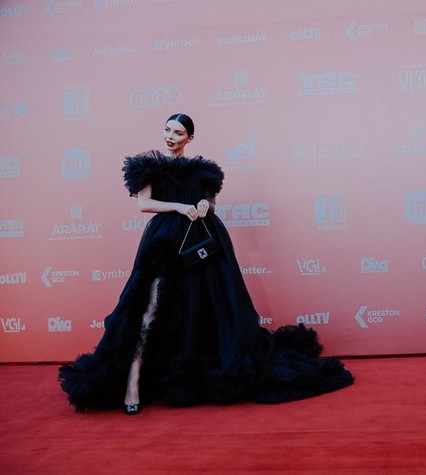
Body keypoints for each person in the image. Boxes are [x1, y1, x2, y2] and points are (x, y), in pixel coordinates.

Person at [59, 113, 354, 414]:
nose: (170, 136)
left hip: (203, 241)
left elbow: (210, 203)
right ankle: (132, 385)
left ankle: (191, 371)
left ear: (190, 138)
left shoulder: (203, 172)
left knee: (206, 304)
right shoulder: (149, 167)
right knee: (148, 310)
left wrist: (204, 204)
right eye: (167, 130)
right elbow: (144, 204)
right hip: (165, 243)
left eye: (178, 132)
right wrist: (178, 206)